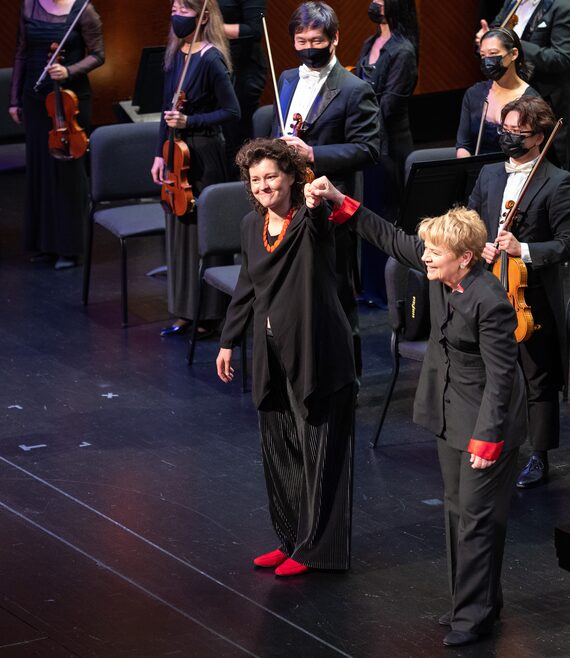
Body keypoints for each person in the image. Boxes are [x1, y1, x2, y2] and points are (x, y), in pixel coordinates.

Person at [306, 177, 527, 648]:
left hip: (486, 420)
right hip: (451, 412)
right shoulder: (440, 272)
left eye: (434, 252)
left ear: (464, 258)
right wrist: (337, 200)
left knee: (477, 517)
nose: (423, 257)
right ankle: (473, 603)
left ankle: (474, 615)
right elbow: (388, 236)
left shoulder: (491, 302)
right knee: (457, 511)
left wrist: (489, 438)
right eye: (426, 250)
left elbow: (502, 379)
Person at [216, 139, 357, 577]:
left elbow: (322, 220)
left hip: (317, 351)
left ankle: (319, 550)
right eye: (255, 179)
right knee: (281, 448)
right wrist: (227, 340)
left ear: (293, 176)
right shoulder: (249, 226)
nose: (263, 186)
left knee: (321, 453)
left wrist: (317, 201)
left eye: (271, 176)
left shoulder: (308, 222)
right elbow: (246, 286)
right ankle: (289, 538)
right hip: (273, 351)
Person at [468, 95, 570, 488]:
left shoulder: (558, 181)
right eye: (506, 130)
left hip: (531, 295)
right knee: (489, 370)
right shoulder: (488, 175)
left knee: (538, 375)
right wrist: (477, 242)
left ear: (539, 137)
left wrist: (525, 250)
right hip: (487, 288)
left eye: (520, 132)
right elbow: (472, 218)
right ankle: (492, 440)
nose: (511, 138)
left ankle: (540, 454)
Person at [271, 1, 381, 378]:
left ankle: (346, 377)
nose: (307, 47)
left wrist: (314, 152)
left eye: (316, 40)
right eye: (300, 41)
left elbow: (368, 149)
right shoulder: (286, 78)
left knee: (336, 293)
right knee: (294, 289)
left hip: (332, 205)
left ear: (334, 39)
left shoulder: (355, 89)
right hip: (290, 202)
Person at [150, 0, 240, 337]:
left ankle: (211, 313)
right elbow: (165, 109)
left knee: (202, 233)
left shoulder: (211, 59)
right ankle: (185, 309)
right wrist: (159, 153)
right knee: (179, 234)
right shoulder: (175, 54)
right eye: (173, 8)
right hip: (175, 152)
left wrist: (190, 119)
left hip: (203, 155)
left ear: (202, 17)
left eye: (184, 10)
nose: (176, 15)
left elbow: (232, 113)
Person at [9, 0, 104, 270]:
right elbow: (21, 52)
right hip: (37, 99)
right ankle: (45, 245)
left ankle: (68, 247)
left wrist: (68, 70)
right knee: (40, 171)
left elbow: (98, 54)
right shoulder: (29, 6)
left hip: (70, 99)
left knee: (67, 174)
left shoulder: (84, 10)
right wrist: (14, 99)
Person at [356, 0, 419, 304]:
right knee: (366, 213)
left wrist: (356, 123)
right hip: (368, 139)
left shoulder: (403, 49)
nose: (374, 4)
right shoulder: (371, 41)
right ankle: (367, 286)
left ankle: (385, 292)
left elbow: (389, 105)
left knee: (385, 217)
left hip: (388, 145)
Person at [476, 0, 570, 169]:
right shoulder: (512, 3)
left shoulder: (565, 8)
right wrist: (487, 38)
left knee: (549, 167)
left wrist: (513, 43)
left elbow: (562, 59)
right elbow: (495, 35)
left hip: (544, 102)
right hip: (508, 96)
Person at [456, 27, 539, 159]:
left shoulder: (531, 100)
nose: (487, 60)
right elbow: (463, 146)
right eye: (483, 55)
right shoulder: (473, 94)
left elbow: (530, 152)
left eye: (493, 53)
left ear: (513, 54)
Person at [218, 0, 267, 166]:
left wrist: (212, 28)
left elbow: (254, 30)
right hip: (212, 65)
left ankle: (241, 185)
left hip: (242, 71)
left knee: (237, 138)